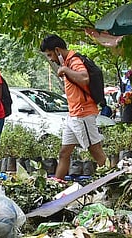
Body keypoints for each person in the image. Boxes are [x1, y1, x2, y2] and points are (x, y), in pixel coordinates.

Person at [39, 34, 107, 179]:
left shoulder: (74, 61)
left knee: (95, 151)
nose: (50, 59)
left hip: (83, 114)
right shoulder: (67, 62)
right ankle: (57, 183)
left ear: (57, 50)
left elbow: (84, 78)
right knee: (64, 153)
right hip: (73, 115)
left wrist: (65, 71)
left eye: (50, 55)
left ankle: (112, 179)